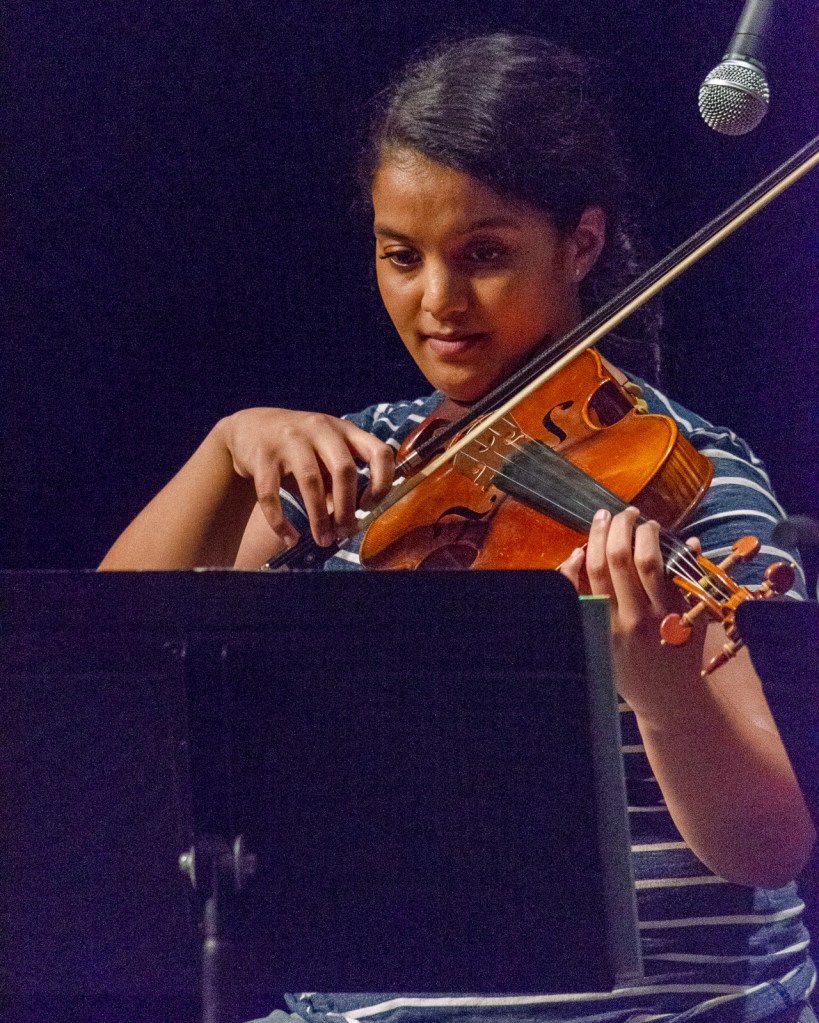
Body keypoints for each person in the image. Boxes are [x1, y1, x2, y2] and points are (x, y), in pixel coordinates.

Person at [99, 33, 816, 1023]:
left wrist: (662, 689)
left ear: (581, 243)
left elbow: (772, 844)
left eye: (484, 255)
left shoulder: (693, 474)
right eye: (402, 256)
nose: (437, 301)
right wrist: (223, 452)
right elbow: (107, 682)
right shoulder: (357, 464)